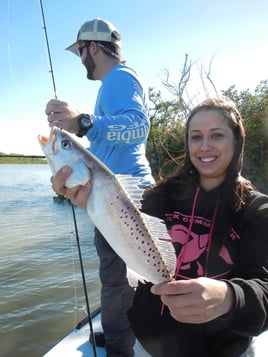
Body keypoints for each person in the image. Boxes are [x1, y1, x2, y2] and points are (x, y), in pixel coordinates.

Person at [45, 18, 154, 357]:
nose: (81, 61)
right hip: (116, 196)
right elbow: (109, 148)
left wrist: (83, 122)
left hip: (124, 199)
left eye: (81, 52)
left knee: (117, 283)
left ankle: (121, 348)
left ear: (92, 47)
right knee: (121, 281)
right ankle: (121, 334)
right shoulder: (115, 82)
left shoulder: (119, 77)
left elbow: (138, 126)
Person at [126, 97, 268, 356]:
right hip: (152, 345)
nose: (204, 146)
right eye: (196, 137)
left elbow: (264, 287)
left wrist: (229, 296)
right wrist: (92, 198)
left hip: (226, 349)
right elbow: (125, 236)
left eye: (216, 135)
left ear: (236, 141)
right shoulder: (159, 196)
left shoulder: (257, 211)